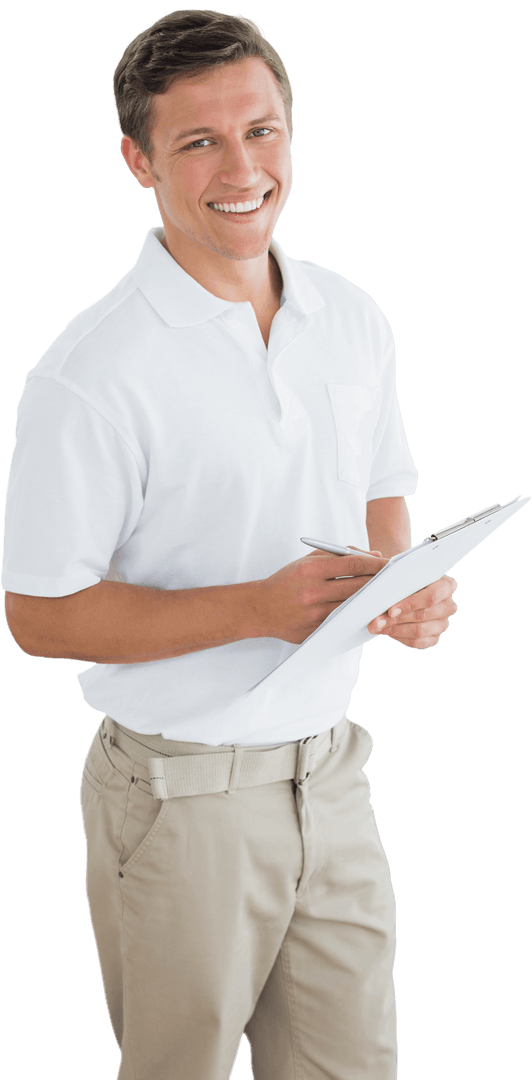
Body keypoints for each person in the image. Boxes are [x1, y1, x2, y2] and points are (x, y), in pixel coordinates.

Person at [1, 10, 458, 1080]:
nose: (242, 168)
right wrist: (261, 606)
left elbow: (381, 498)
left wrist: (404, 593)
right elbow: (35, 616)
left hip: (333, 776)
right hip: (176, 800)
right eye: (199, 141)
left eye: (263, 131)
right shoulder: (90, 374)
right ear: (137, 159)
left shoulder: (351, 316)